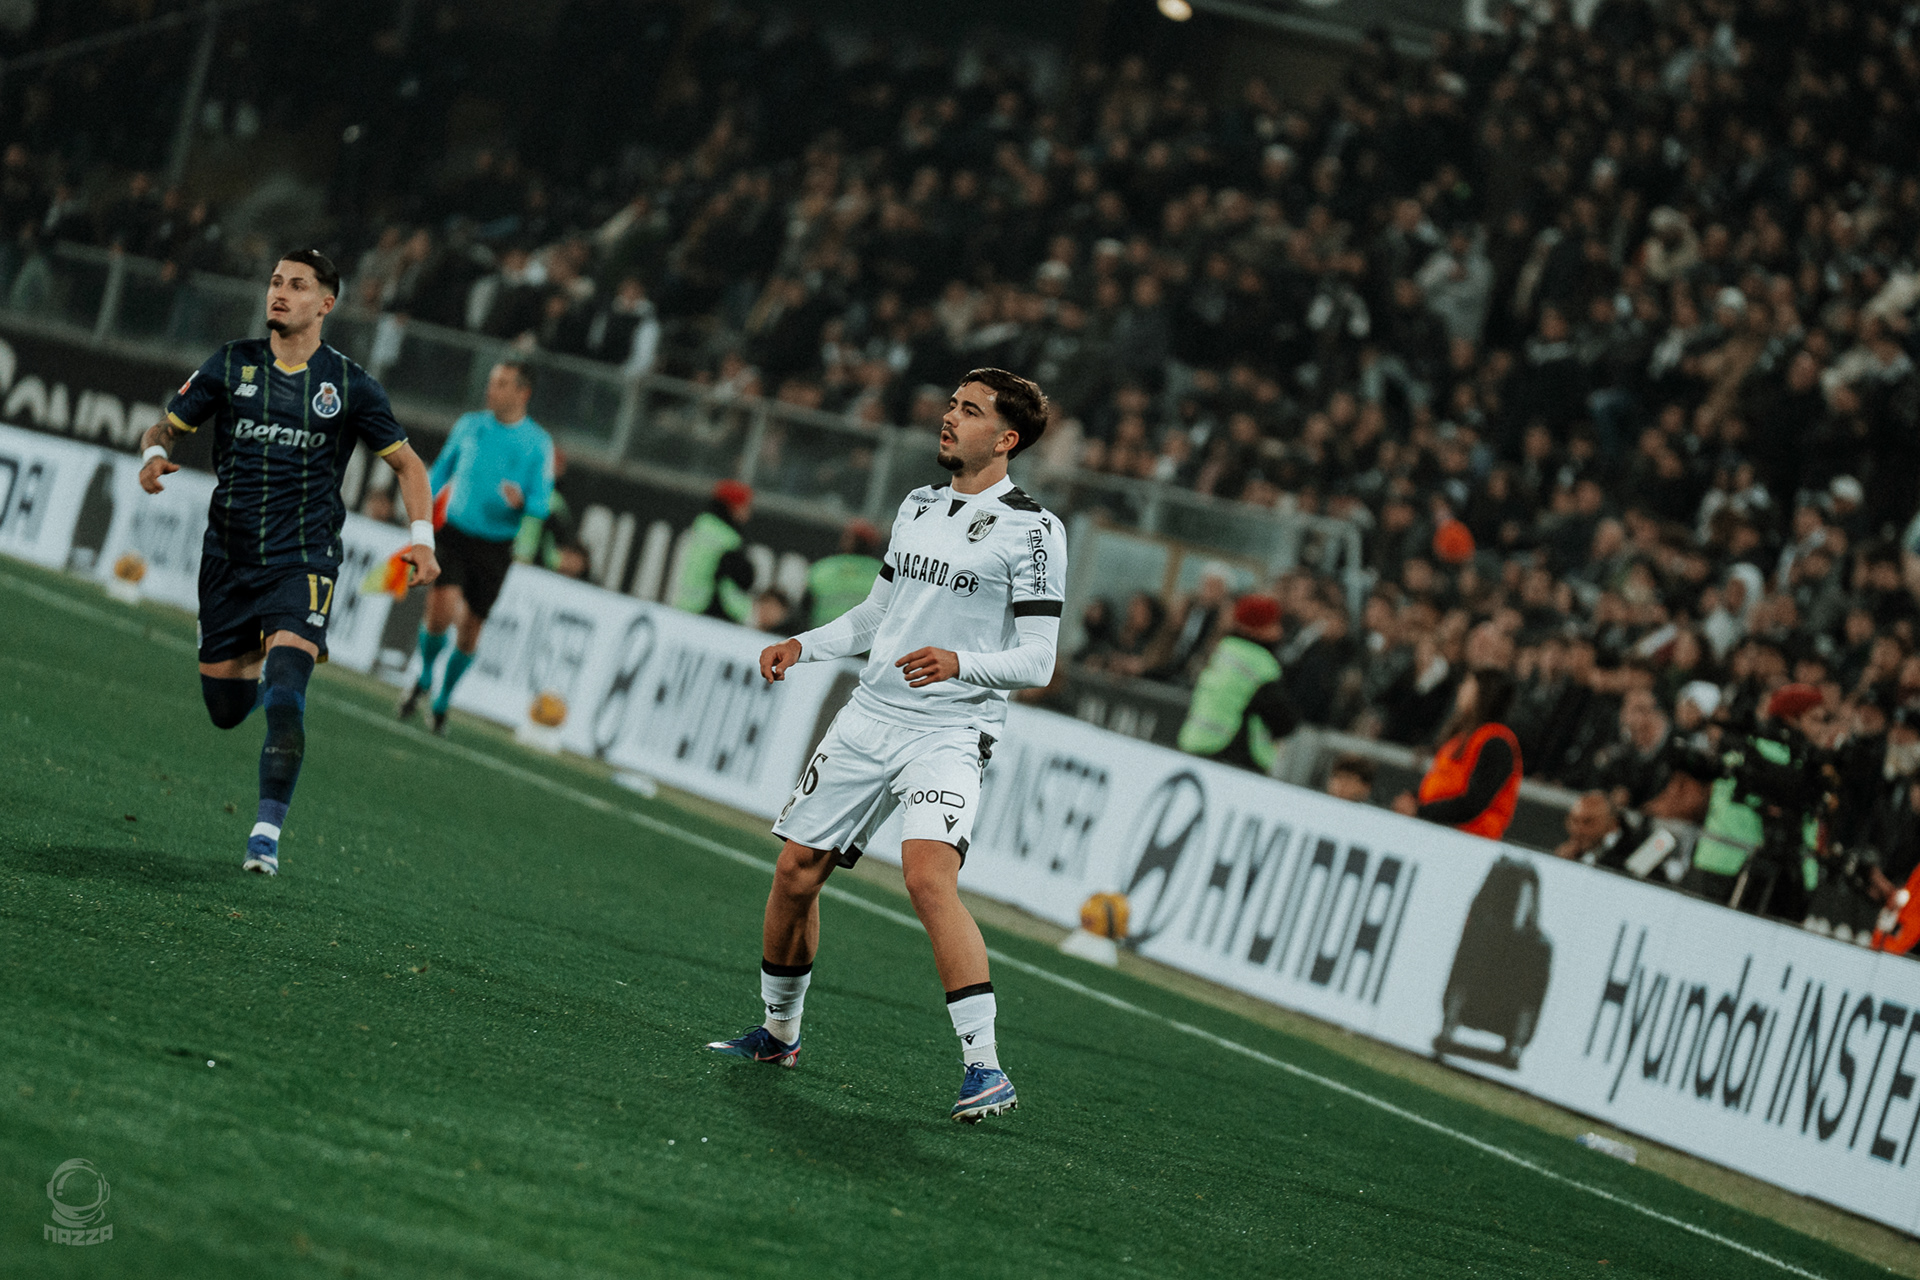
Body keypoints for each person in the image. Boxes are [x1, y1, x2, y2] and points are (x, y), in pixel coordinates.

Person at [705, 368, 1064, 1125]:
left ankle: (985, 1069)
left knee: (928, 877)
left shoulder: (1033, 530)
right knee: (795, 874)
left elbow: (1039, 659)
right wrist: (803, 645)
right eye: (952, 404)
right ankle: (778, 1035)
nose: (949, 417)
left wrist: (960, 664)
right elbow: (876, 615)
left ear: (1006, 439)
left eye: (970, 410)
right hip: (869, 716)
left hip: (951, 728)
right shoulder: (918, 504)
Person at [137, 249, 439, 876]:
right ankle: (250, 655)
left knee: (286, 691)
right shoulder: (231, 363)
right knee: (225, 711)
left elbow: (409, 465)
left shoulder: (349, 384)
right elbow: (163, 428)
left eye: (297, 285)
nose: (280, 292)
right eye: (276, 282)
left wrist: (421, 539)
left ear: (325, 304)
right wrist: (152, 457)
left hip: (304, 560)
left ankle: (265, 836)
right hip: (227, 559)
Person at [399, 361, 554, 734]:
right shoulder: (470, 425)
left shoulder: (537, 444)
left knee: (469, 632)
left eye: (501, 384)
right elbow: (440, 471)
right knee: (441, 611)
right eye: (491, 381)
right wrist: (419, 513)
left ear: (522, 393)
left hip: (496, 548)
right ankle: (425, 675)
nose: (491, 389)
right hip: (454, 533)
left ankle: (442, 699)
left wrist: (522, 502)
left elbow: (542, 503)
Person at [1176, 594, 1300, 775]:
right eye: (1274, 624)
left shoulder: (1224, 650)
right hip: (1232, 754)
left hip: (1196, 742)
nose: (1280, 631)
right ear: (1259, 627)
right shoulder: (1260, 663)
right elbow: (1283, 719)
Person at [1393, 668, 1523, 839]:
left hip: (1468, 840)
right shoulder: (1463, 737)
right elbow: (1445, 782)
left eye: (1468, 684)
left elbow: (1474, 803)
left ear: (1482, 694)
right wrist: (1414, 797)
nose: (1461, 689)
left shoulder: (1496, 742)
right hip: (1440, 830)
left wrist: (1421, 811)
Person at [672, 479, 755, 623]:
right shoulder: (729, 538)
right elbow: (728, 582)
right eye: (746, 506)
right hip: (706, 609)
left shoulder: (701, 525)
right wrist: (741, 611)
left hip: (685, 603)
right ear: (734, 506)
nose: (749, 512)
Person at [800, 518, 884, 627]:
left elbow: (805, 606)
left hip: (823, 631)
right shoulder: (882, 573)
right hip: (861, 635)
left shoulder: (822, 568)